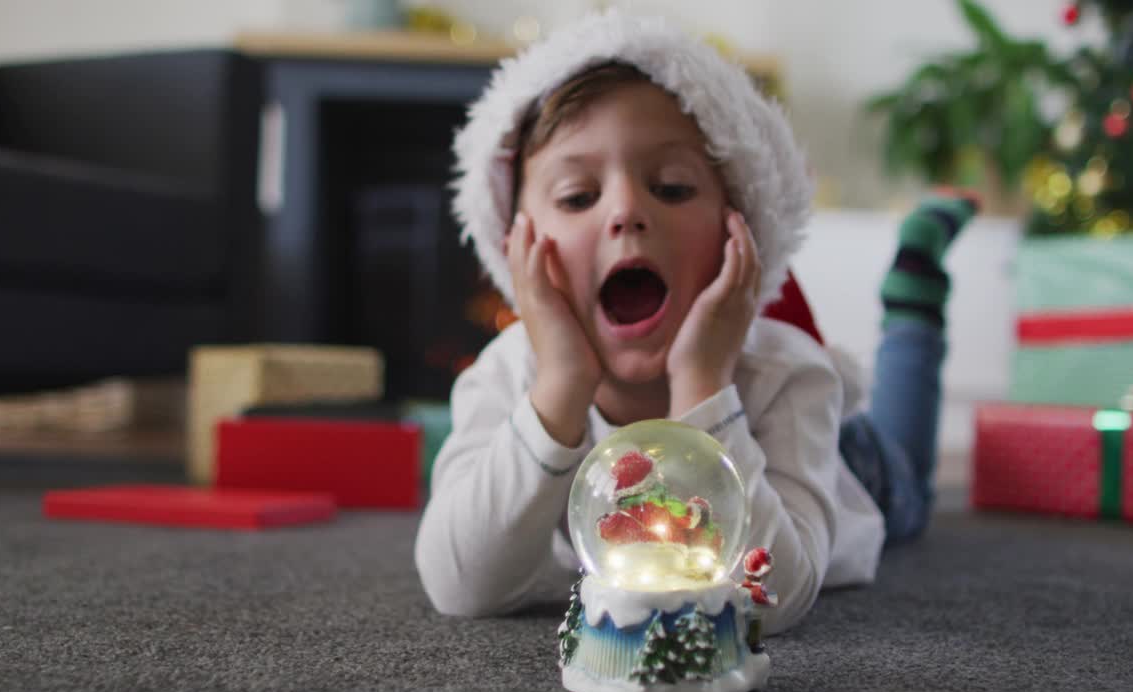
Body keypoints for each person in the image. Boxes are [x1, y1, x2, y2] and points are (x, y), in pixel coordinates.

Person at [414, 11, 976, 635]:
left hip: (842, 470)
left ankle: (914, 298)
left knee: (908, 481)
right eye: (578, 196)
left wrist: (703, 387)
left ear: (737, 227)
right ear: (516, 247)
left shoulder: (788, 375)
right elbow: (458, 586)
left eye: (673, 188)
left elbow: (774, 595)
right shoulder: (509, 373)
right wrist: (560, 386)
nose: (626, 211)